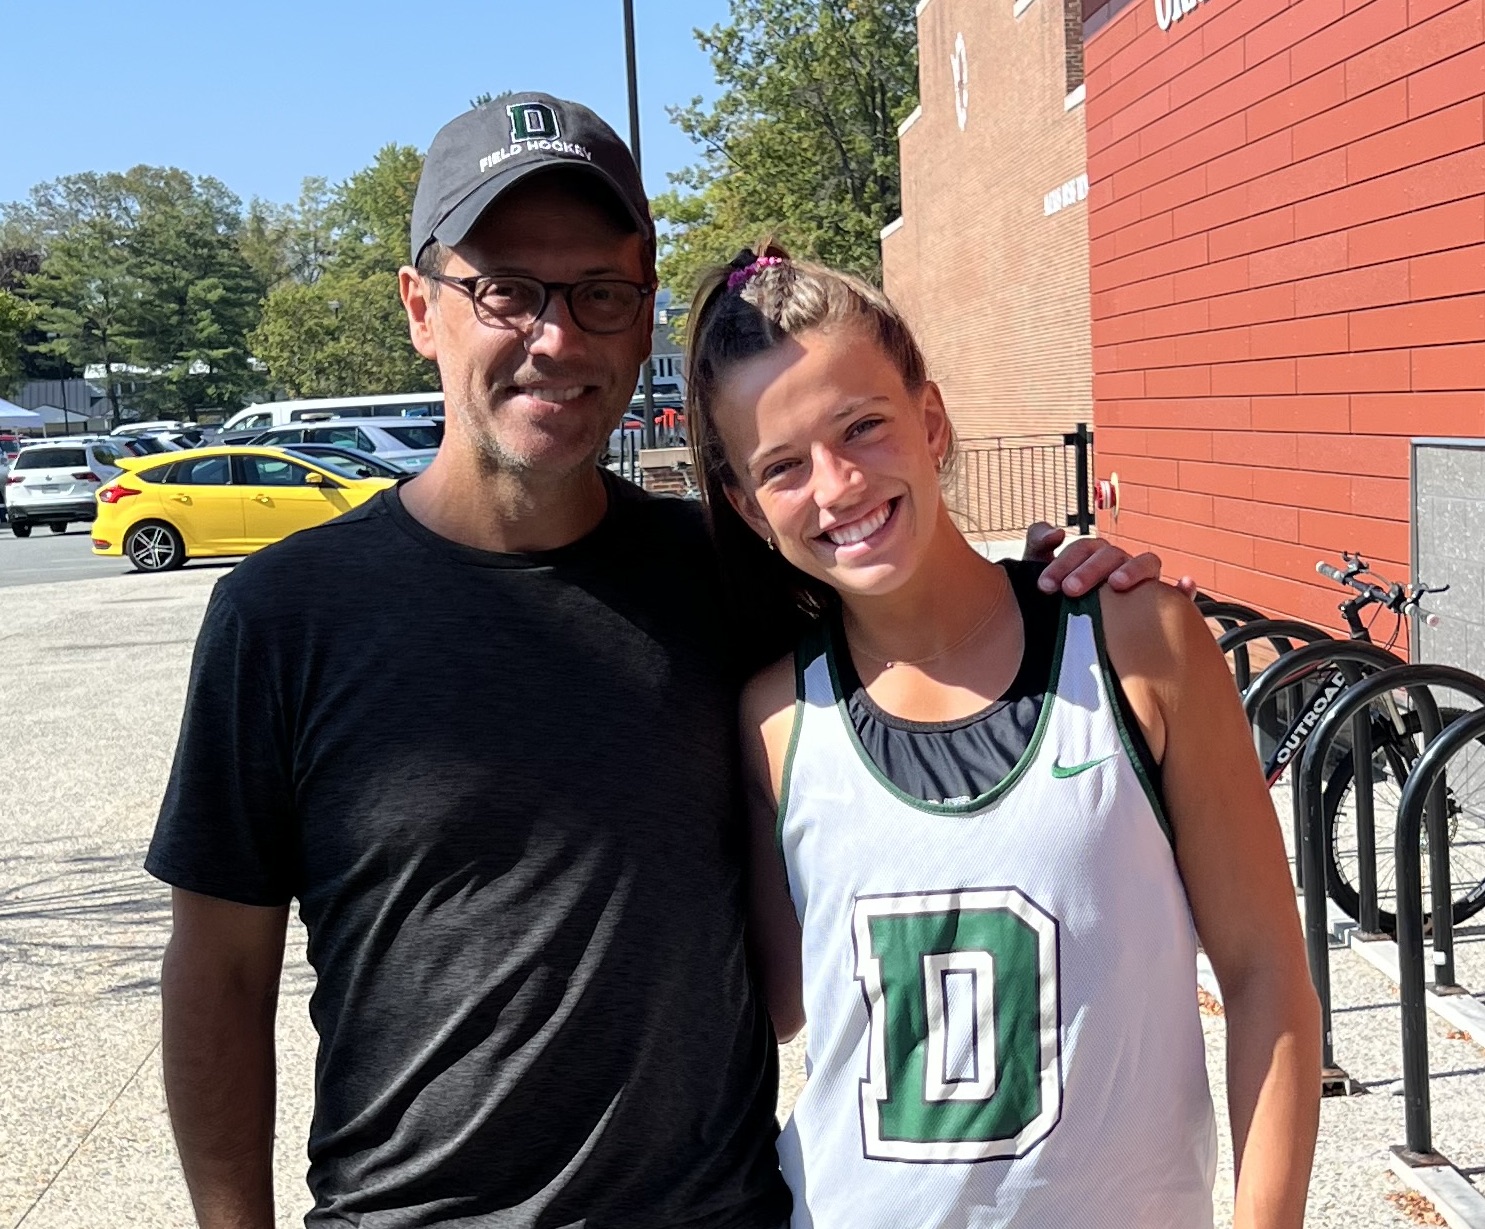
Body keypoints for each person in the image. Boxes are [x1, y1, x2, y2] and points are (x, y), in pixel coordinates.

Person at [146, 94, 1175, 1229]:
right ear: (420, 307)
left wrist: (1054, 585)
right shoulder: (284, 617)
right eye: (506, 290)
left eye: (600, 292)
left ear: (643, 322)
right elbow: (219, 970)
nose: (556, 337)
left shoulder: (730, 580)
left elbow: (917, 622)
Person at [683, 246, 1322, 1229]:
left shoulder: (1138, 641)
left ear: (931, 421)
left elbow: (1266, 974)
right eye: (782, 466)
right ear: (745, 505)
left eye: (862, 426)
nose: (837, 484)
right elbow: (777, 1008)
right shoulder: (774, 716)